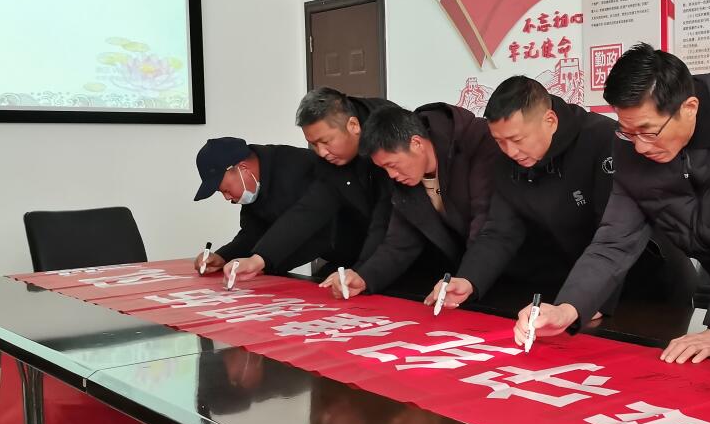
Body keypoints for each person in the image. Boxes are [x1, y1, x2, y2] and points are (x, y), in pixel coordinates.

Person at [512, 44, 710, 362]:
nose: (640, 147)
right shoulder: (630, 141)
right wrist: (567, 309)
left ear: (690, 108)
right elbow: (615, 239)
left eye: (648, 132)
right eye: (628, 132)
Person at [425, 76, 696, 330]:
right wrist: (469, 280)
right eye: (500, 141)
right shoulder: (508, 160)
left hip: (647, 286)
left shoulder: (603, 140)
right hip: (585, 286)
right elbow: (500, 231)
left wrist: (587, 302)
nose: (510, 151)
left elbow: (615, 236)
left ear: (550, 121)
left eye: (517, 140)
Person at [320, 101, 500, 299]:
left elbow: (487, 224)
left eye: (392, 165)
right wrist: (364, 278)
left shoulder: (476, 142)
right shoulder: (407, 179)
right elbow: (399, 242)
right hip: (464, 279)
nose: (391, 175)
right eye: (384, 169)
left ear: (416, 143)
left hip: (503, 270)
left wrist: (468, 278)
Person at [223, 88, 396, 285]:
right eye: (313, 144)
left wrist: (364, 271)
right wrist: (259, 259)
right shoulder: (332, 160)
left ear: (353, 125)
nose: (321, 152)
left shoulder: (391, 134)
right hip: (374, 253)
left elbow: (387, 216)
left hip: (407, 250)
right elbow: (309, 210)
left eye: (325, 141)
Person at [191, 137, 336, 276]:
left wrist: (262, 264)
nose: (227, 198)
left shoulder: (297, 168)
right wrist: (223, 257)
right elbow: (252, 234)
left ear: (243, 168)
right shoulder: (255, 185)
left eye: (226, 190)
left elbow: (316, 234)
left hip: (345, 251)